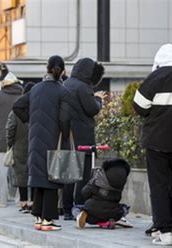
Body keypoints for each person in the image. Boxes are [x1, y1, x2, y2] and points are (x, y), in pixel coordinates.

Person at [133, 44, 172, 245]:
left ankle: (165, 232)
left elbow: (139, 106)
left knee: (159, 186)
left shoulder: (154, 78)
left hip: (156, 141)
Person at [13, 55, 71, 231]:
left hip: (35, 138)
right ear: (62, 71)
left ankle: (38, 218)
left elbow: (17, 106)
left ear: (47, 69)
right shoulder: (63, 92)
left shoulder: (36, 89)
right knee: (51, 178)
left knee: (39, 177)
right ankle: (48, 220)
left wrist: (30, 121)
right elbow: (64, 119)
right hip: (53, 139)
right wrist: (66, 135)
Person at [62, 57, 106, 220]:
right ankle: (79, 207)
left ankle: (67, 210)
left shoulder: (66, 84)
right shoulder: (83, 88)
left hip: (68, 136)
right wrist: (98, 99)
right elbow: (92, 109)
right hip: (83, 137)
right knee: (82, 175)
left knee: (69, 175)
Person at [0, 71, 23, 207]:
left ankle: (2, 200)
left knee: (2, 171)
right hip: (20, 138)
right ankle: (20, 199)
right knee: (20, 170)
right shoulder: (22, 96)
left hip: (1, 138)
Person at [76, 159, 131, 229]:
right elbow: (118, 199)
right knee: (124, 207)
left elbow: (84, 192)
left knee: (76, 208)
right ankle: (118, 219)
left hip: (92, 213)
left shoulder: (98, 178)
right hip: (113, 212)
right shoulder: (120, 184)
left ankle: (80, 215)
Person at [6, 82, 35, 213]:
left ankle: (23, 202)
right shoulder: (37, 109)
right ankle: (33, 201)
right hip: (35, 145)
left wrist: (10, 142)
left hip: (19, 144)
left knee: (21, 173)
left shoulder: (16, 111)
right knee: (35, 173)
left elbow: (10, 128)